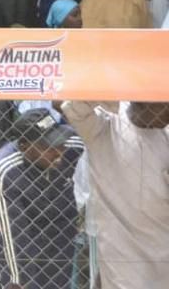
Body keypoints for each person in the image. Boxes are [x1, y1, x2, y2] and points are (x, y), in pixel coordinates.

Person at [60, 100, 169, 287]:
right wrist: (115, 91)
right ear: (143, 101)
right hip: (122, 254)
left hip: (163, 244)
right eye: (165, 106)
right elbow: (70, 107)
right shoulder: (104, 127)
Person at [0, 108, 84, 289]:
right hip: (26, 231)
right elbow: (12, 232)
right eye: (48, 147)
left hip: (62, 230)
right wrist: (18, 280)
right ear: (24, 147)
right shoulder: (4, 169)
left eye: (59, 143)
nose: (58, 152)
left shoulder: (75, 145)